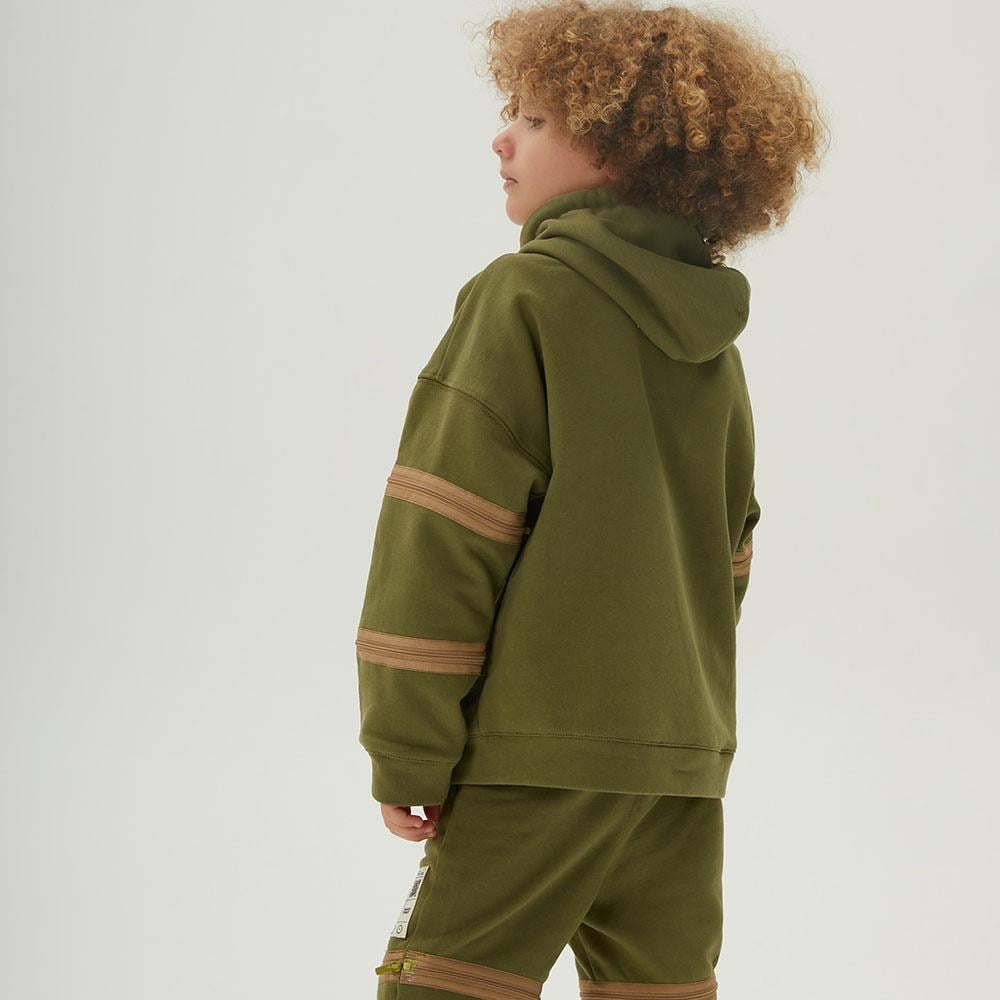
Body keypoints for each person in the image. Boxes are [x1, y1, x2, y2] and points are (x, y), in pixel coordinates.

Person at [354, 2, 829, 996]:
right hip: (679, 770)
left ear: (621, 146)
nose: (501, 139)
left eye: (532, 119)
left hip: (534, 760)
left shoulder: (523, 298)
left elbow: (442, 533)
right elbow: (727, 561)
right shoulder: (711, 349)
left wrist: (408, 746)